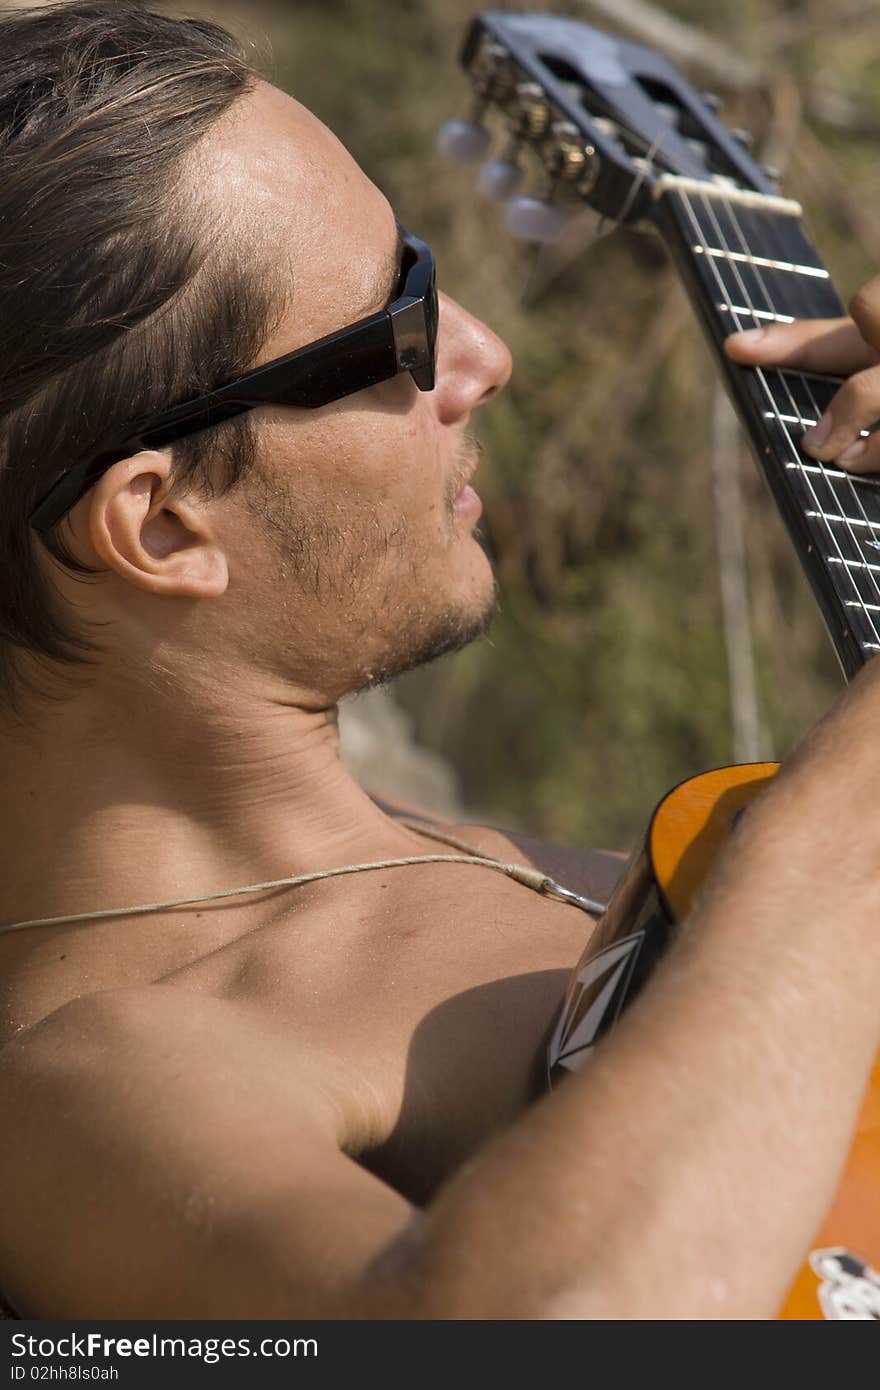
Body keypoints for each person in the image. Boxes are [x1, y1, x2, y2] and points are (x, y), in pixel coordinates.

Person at [0, 0, 879, 1321]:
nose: (482, 355)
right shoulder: (98, 1076)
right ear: (164, 521)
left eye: (420, 258)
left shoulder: (495, 853)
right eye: (397, 325)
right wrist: (845, 809)